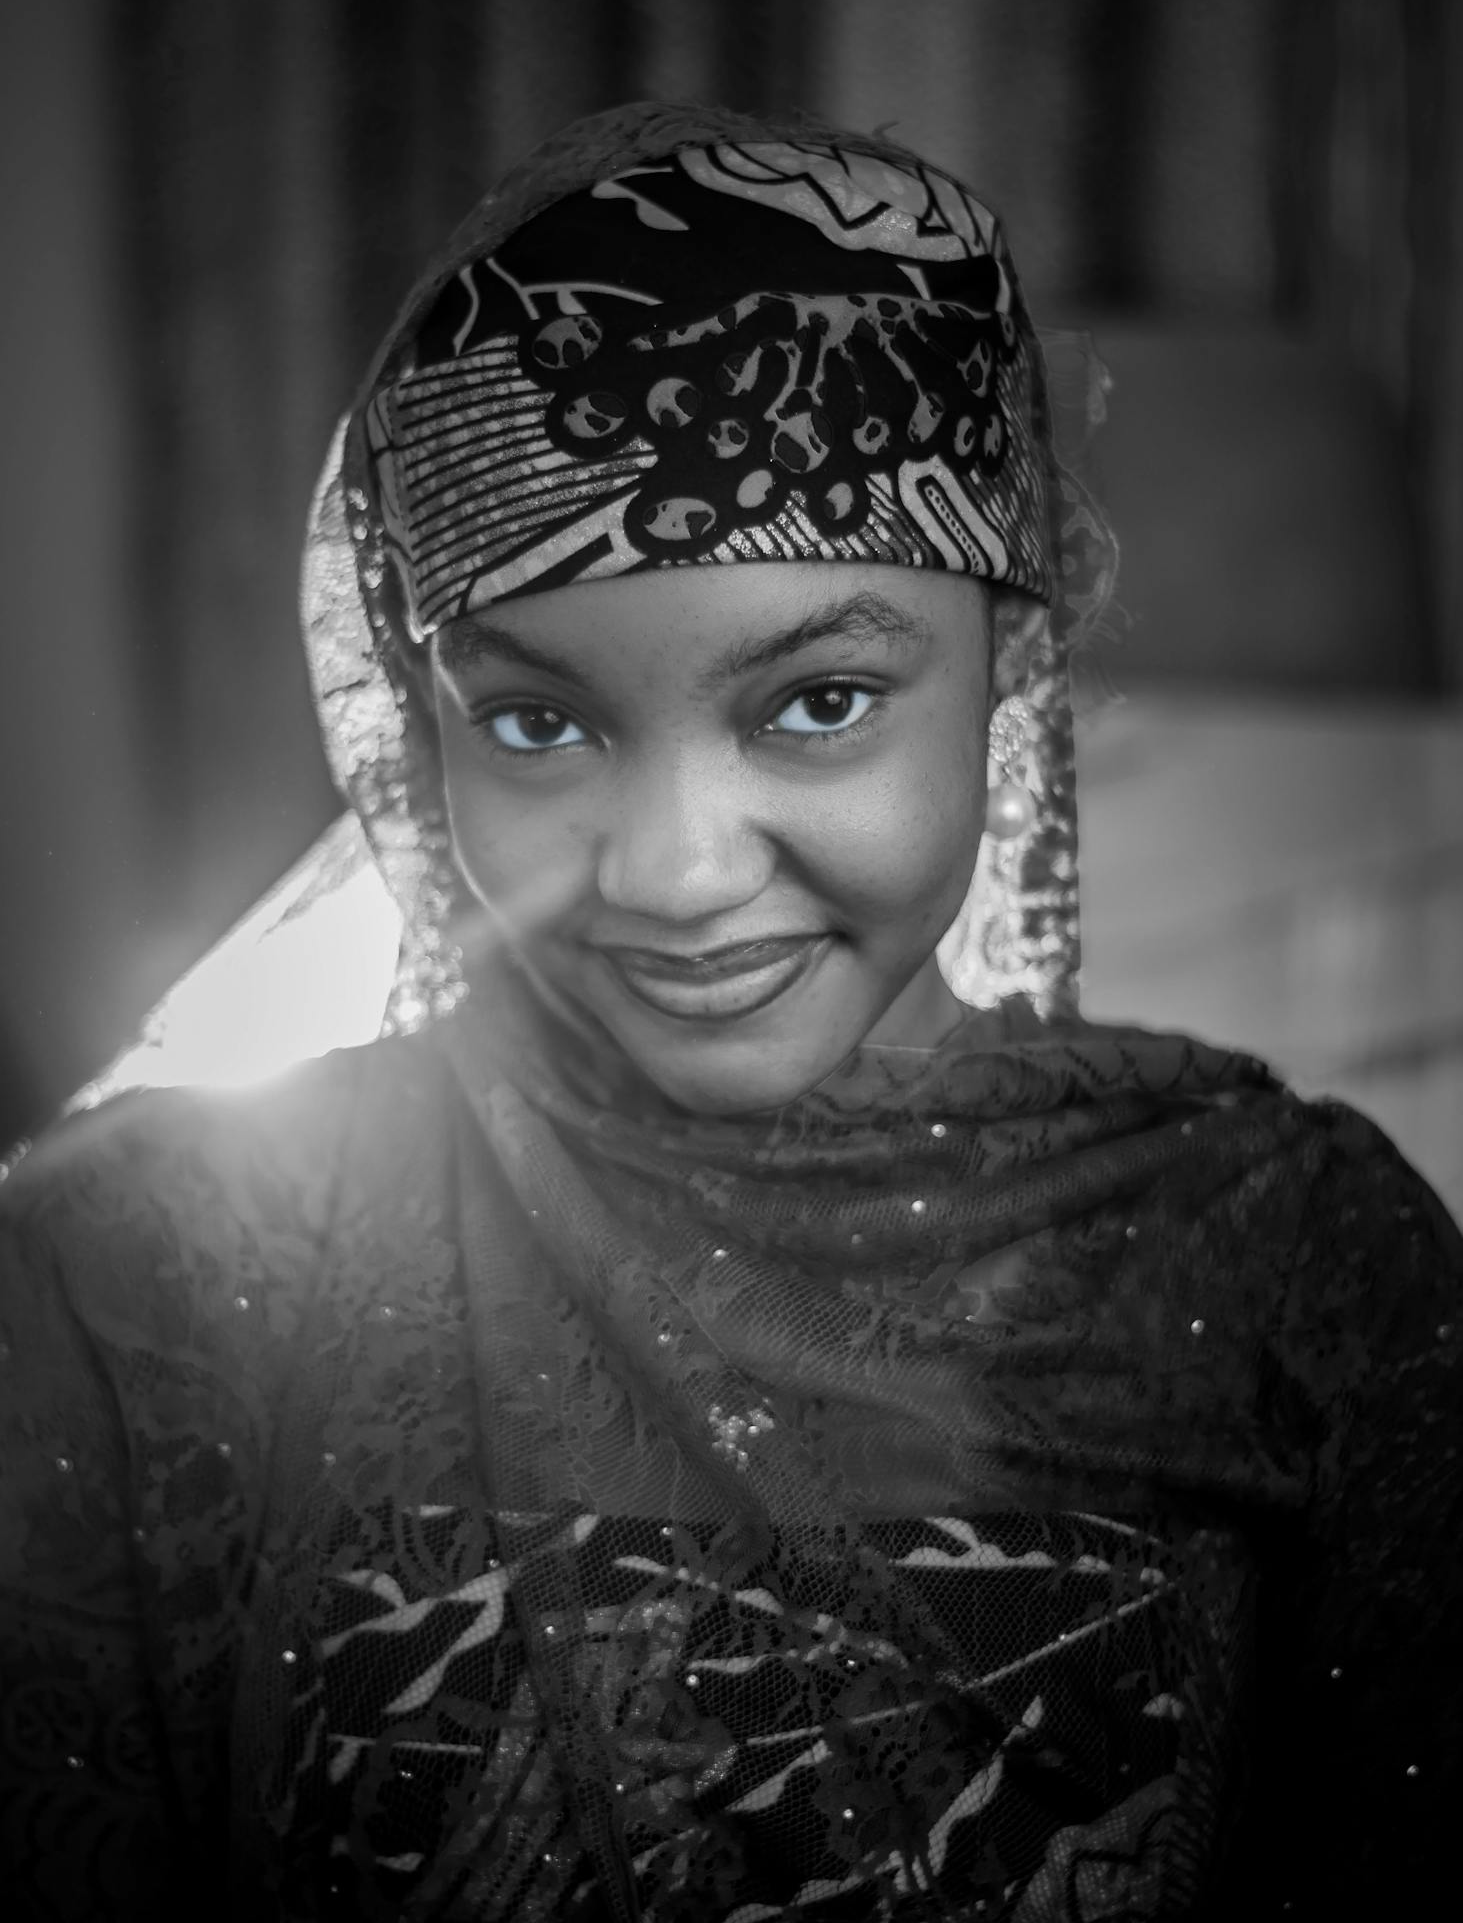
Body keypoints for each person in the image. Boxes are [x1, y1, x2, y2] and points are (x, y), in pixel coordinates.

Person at [1, 99, 1459, 1923]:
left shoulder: (1303, 1272)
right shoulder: (137, 1277)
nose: (676, 875)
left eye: (818, 702)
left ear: (1013, 655)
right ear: (420, 721)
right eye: (537, 721)